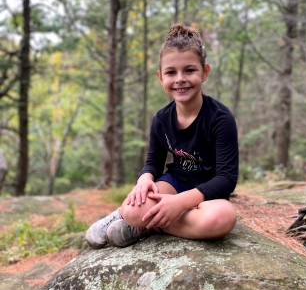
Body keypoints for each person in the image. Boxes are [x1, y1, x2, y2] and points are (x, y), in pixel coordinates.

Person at [86, 23, 239, 248]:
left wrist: (179, 203)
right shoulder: (161, 119)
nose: (180, 79)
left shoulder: (220, 118)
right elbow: (154, 162)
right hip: (175, 183)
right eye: (171, 72)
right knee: (132, 208)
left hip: (208, 195)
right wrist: (144, 179)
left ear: (204, 72)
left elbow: (226, 179)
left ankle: (149, 224)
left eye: (189, 70)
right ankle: (129, 217)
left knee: (222, 218)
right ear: (160, 78)